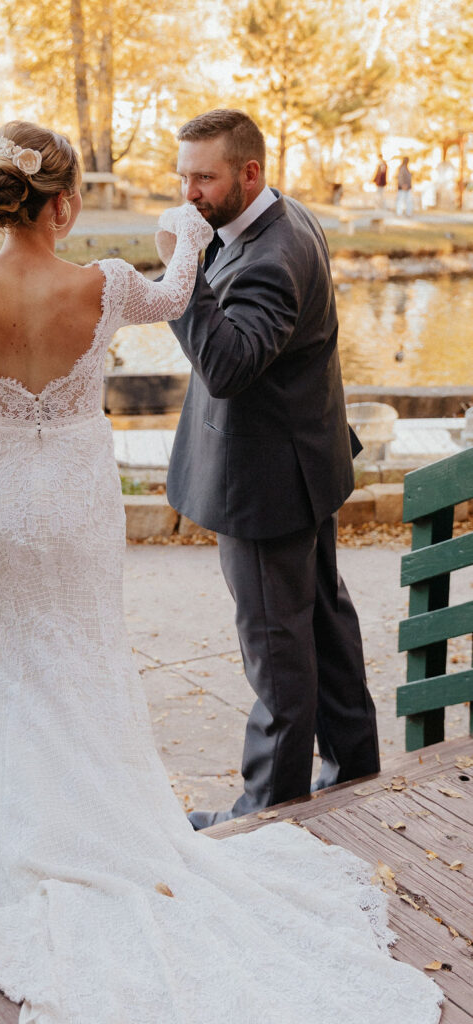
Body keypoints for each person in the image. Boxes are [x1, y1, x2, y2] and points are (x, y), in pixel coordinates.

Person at [0, 120, 441, 1024]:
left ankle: (37, 853)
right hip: (75, 497)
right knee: (92, 658)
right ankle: (122, 832)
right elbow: (182, 293)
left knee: (19, 668)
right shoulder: (103, 288)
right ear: (65, 203)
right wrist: (180, 237)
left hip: (5, 507)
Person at [161, 109, 381, 831]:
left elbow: (225, 366)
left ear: (248, 173)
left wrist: (182, 269)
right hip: (302, 464)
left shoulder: (265, 256)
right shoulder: (285, 218)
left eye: (204, 177)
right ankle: (354, 770)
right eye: (183, 174)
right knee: (320, 622)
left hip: (265, 483)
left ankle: (267, 810)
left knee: (276, 647)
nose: (188, 190)